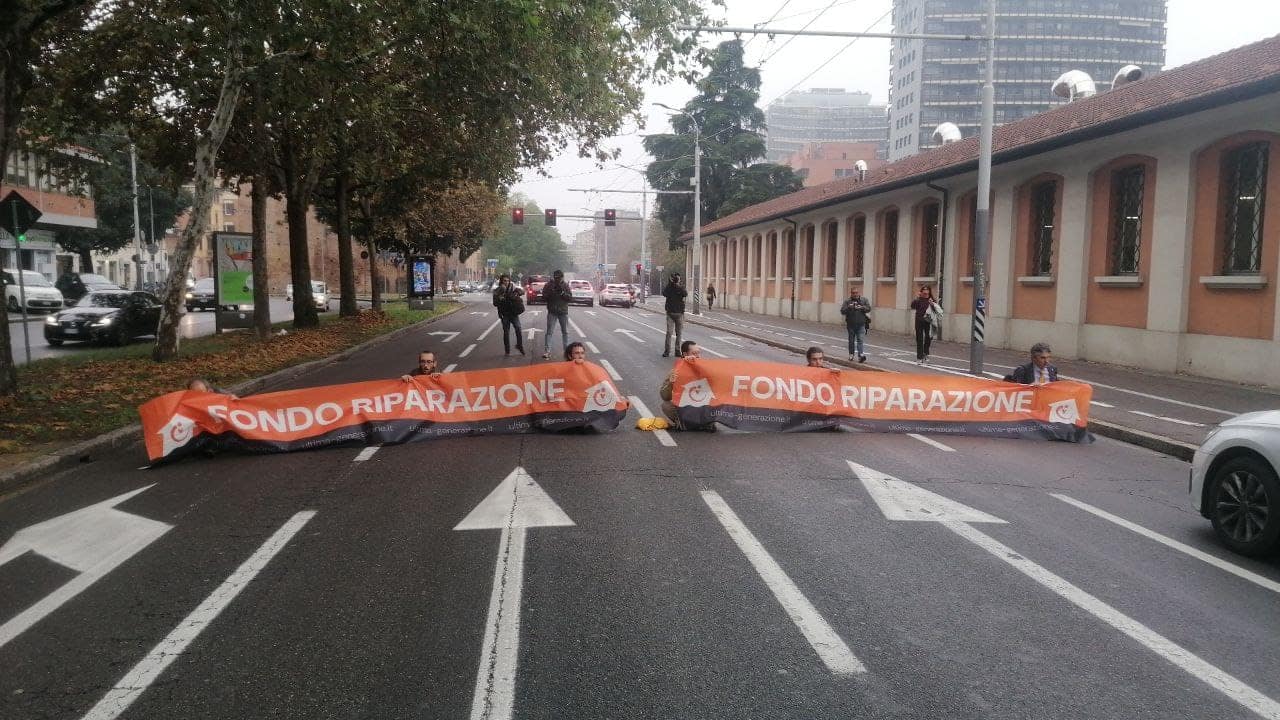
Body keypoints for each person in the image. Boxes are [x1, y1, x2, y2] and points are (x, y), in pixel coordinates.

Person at [660, 340, 714, 431]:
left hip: (702, 404)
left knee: (716, 402)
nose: (698, 356)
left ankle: (706, 423)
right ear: (685, 354)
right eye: (694, 353)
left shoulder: (706, 368)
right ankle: (683, 422)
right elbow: (665, 396)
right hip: (685, 406)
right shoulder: (676, 371)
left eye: (698, 353)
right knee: (666, 405)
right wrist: (671, 383)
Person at [541, 269, 572, 359]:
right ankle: (547, 351)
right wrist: (551, 292)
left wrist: (562, 292)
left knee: (565, 332)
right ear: (554, 277)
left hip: (563, 311)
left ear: (562, 277)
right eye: (556, 278)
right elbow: (543, 297)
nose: (558, 280)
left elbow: (570, 298)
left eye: (559, 278)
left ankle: (567, 351)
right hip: (552, 311)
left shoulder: (565, 285)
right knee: (549, 332)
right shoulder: (549, 285)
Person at [491, 274, 525, 356]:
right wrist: (500, 297)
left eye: (507, 280)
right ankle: (507, 350)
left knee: (518, 328)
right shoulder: (497, 290)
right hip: (504, 314)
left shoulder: (512, 287)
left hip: (513, 313)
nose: (506, 282)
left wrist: (517, 293)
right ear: (501, 281)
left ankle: (519, 345)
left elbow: (522, 292)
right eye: (504, 281)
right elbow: (495, 303)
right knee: (506, 332)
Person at [909, 286, 941, 365]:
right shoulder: (918, 300)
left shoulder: (931, 300)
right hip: (919, 321)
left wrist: (932, 304)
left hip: (928, 321)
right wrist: (917, 298)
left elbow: (937, 310)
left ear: (929, 292)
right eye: (924, 290)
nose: (925, 292)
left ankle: (926, 354)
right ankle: (919, 357)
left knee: (928, 338)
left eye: (927, 291)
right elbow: (912, 306)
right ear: (921, 292)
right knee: (919, 339)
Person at [839, 287, 871, 363]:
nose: (855, 294)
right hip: (851, 325)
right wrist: (849, 307)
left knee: (860, 340)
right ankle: (851, 354)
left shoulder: (864, 300)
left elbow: (869, 308)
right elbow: (842, 311)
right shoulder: (847, 301)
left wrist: (862, 307)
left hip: (861, 324)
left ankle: (861, 356)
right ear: (851, 293)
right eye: (853, 293)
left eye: (856, 293)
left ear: (859, 293)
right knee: (851, 340)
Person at [662, 272, 687, 358]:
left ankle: (677, 350)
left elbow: (685, 294)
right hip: (670, 313)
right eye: (675, 278)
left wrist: (677, 285)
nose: (677, 279)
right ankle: (667, 351)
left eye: (678, 278)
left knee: (679, 333)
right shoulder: (669, 287)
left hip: (679, 313)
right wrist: (670, 284)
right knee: (669, 332)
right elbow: (664, 293)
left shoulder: (681, 287)